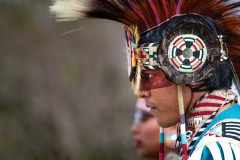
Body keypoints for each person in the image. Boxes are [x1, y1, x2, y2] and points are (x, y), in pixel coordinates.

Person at [50, 0, 240, 159]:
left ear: (188, 66)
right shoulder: (211, 138)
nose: (140, 91)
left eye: (148, 76)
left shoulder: (220, 148)